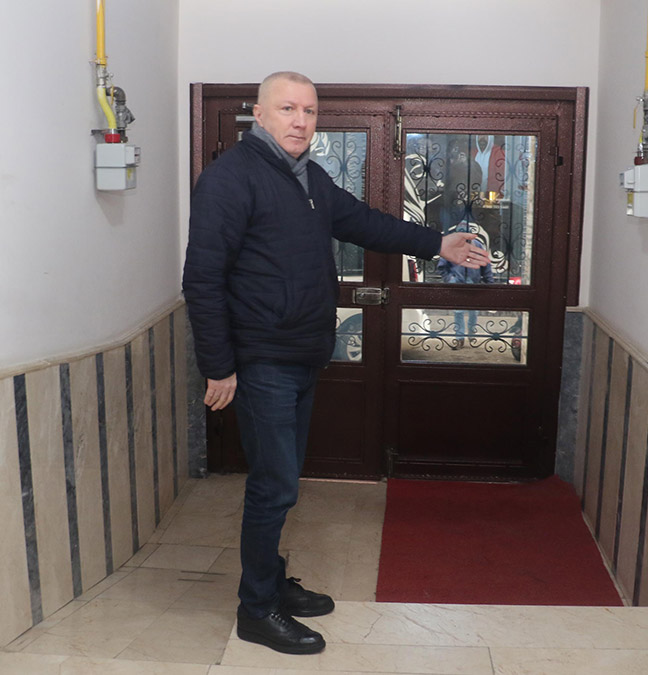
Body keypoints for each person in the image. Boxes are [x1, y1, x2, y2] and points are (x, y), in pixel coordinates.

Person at [182, 71, 490, 655]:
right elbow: (202, 279)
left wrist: (436, 243)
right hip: (262, 359)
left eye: (309, 111)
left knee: (283, 482)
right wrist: (218, 366)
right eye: (288, 109)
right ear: (258, 114)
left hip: (302, 355)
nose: (301, 121)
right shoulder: (230, 178)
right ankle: (257, 610)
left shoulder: (309, 177)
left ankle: (272, 582)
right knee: (273, 487)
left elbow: (363, 222)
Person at [436, 220, 494, 349]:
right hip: (457, 282)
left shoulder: (478, 245)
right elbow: (441, 266)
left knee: (473, 312)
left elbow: (486, 264)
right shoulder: (452, 246)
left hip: (474, 283)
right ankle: (459, 338)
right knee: (458, 311)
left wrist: (489, 283)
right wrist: (450, 279)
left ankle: (471, 334)